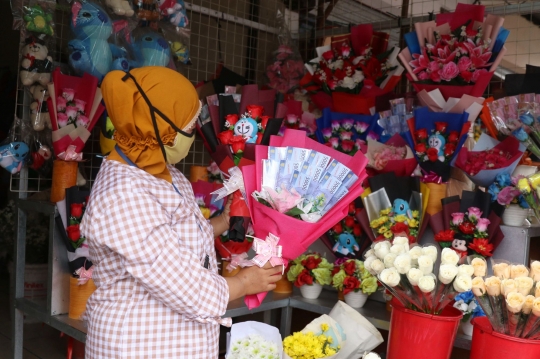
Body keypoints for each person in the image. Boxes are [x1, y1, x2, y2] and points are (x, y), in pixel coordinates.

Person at [80, 67, 282, 358]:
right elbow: (180, 283)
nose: (193, 135)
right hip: (139, 344)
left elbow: (174, 235)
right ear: (159, 127)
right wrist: (243, 283)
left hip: (173, 341)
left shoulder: (162, 171)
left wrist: (222, 221)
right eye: (188, 128)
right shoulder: (122, 194)